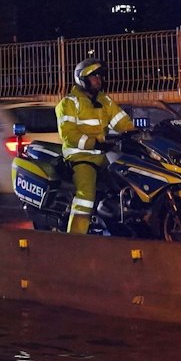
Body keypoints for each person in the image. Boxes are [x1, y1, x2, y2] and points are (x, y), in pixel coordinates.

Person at [56, 58, 134, 234]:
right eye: (94, 77)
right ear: (82, 80)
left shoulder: (103, 100)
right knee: (86, 195)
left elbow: (122, 121)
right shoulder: (69, 103)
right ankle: (75, 237)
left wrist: (136, 133)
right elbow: (69, 135)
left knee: (125, 180)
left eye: (99, 76)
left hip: (103, 156)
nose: (98, 80)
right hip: (81, 157)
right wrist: (94, 143)